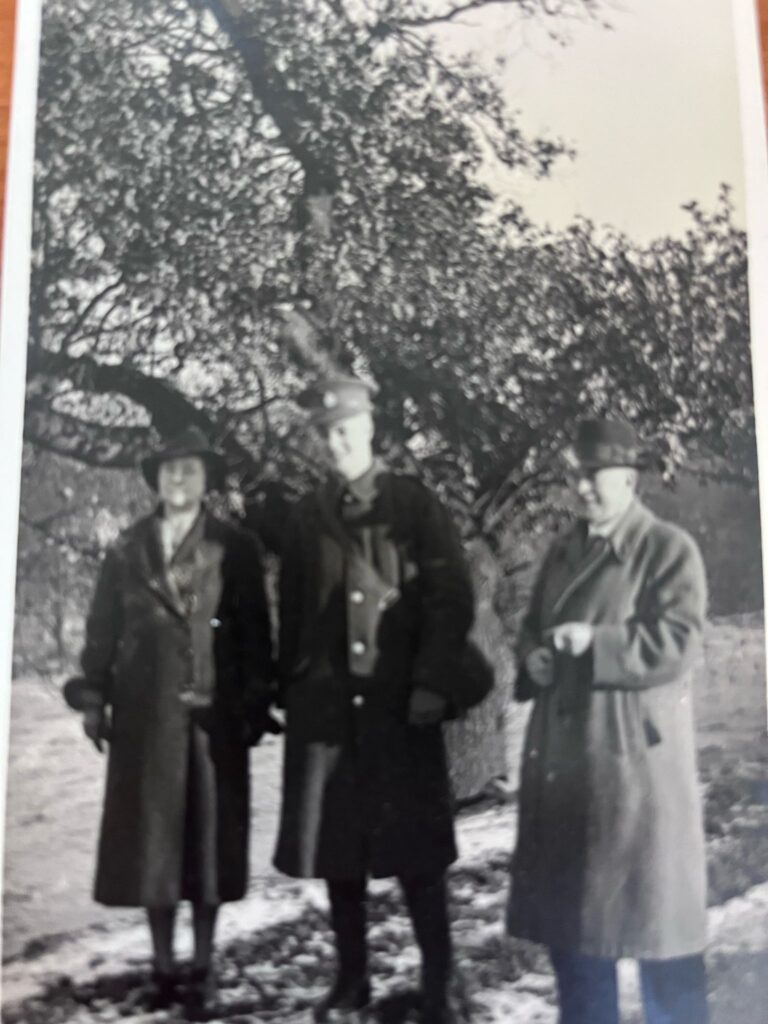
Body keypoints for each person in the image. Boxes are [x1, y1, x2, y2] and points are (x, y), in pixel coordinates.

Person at [273, 374, 487, 1024]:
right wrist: (293, 687)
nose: (337, 441)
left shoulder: (413, 503)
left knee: (418, 856)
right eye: (327, 432)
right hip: (333, 712)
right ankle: (351, 980)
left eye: (347, 429)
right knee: (341, 855)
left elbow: (452, 597)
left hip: (401, 707)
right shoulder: (309, 514)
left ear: (370, 429)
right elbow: (295, 608)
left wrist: (430, 683)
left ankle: (441, 983)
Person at [64, 426, 273, 1018]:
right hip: (145, 718)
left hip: (215, 718)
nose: (179, 480)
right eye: (169, 470)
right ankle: (161, 968)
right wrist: (93, 697)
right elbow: (101, 628)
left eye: (190, 470)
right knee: (154, 846)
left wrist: (256, 701)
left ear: (206, 480)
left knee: (209, 847)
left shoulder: (236, 547)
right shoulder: (127, 548)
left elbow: (257, 634)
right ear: (155, 480)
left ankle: (203, 968)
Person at [506, 418, 709, 1024]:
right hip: (569, 774)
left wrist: (598, 643)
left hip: (635, 776)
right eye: (578, 477)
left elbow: (679, 641)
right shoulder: (564, 550)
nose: (584, 489)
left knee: (658, 938)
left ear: (628, 478)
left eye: (595, 477)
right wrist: (533, 657)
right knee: (579, 945)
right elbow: (530, 626)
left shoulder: (667, 549)